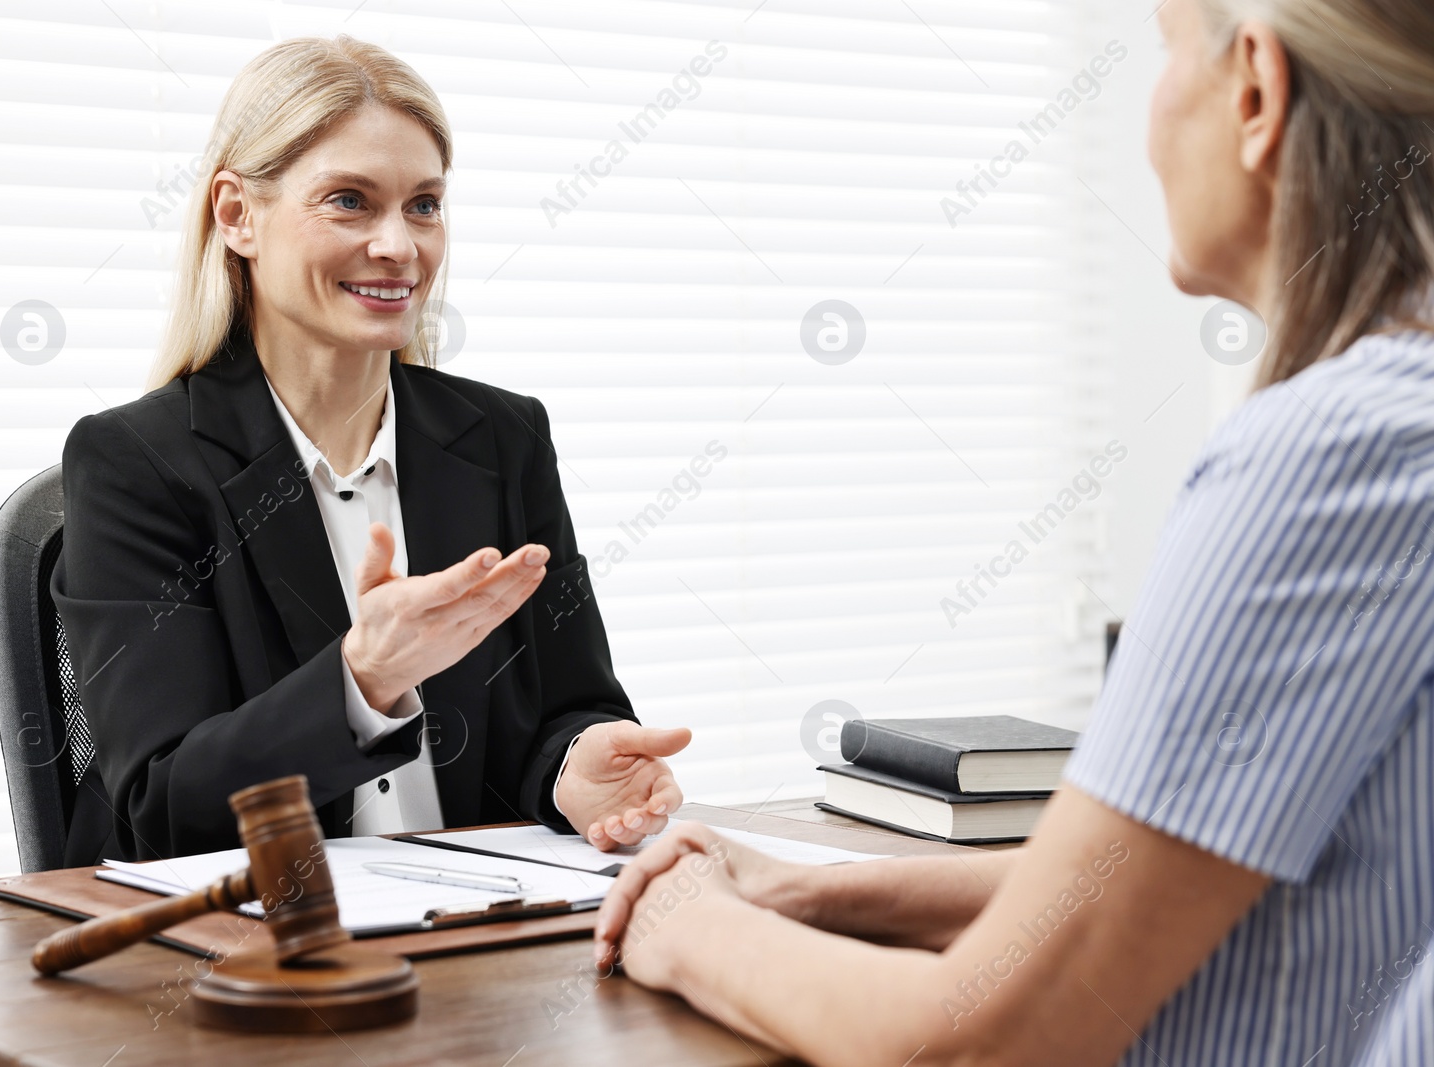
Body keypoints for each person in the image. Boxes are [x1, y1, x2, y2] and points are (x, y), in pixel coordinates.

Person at [593, 1, 1434, 1064]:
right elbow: (1167, 879)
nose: (1148, 115)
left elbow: (988, 1037)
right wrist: (813, 888)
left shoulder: (1331, 453)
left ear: (1256, 91)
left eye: (1166, 53)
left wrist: (688, 927)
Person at [52, 36, 689, 867]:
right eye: (350, 201)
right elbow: (163, 809)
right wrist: (363, 682)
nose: (400, 245)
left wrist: (575, 769)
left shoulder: (504, 438)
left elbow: (565, 707)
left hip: (473, 938)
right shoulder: (136, 463)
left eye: (424, 204)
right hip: (252, 955)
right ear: (238, 215)